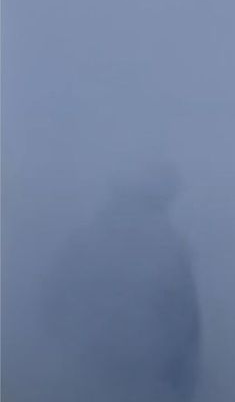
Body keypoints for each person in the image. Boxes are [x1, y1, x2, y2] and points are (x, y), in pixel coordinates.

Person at [42, 161, 201, 402]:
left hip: (104, 377)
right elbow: (187, 330)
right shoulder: (169, 249)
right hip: (124, 377)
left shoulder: (84, 240)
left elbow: (51, 306)